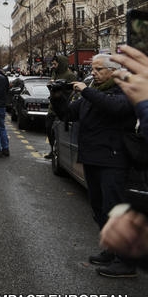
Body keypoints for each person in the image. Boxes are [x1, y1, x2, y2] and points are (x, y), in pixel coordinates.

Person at [50, 53, 138, 278]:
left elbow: (115, 108)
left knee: (114, 208)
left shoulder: (123, 90)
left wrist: (85, 90)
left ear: (113, 70)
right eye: (93, 69)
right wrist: (58, 96)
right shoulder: (93, 94)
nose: (93, 73)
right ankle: (111, 249)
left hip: (113, 159)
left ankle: (126, 262)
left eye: (99, 69)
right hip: (91, 158)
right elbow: (68, 114)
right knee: (98, 207)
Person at [45, 55, 77, 159]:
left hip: (63, 106)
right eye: (52, 64)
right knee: (49, 128)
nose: (53, 66)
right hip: (52, 105)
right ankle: (52, 149)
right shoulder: (54, 73)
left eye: (55, 64)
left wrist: (61, 88)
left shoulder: (70, 75)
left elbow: (72, 91)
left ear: (61, 63)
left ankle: (59, 151)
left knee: (60, 130)